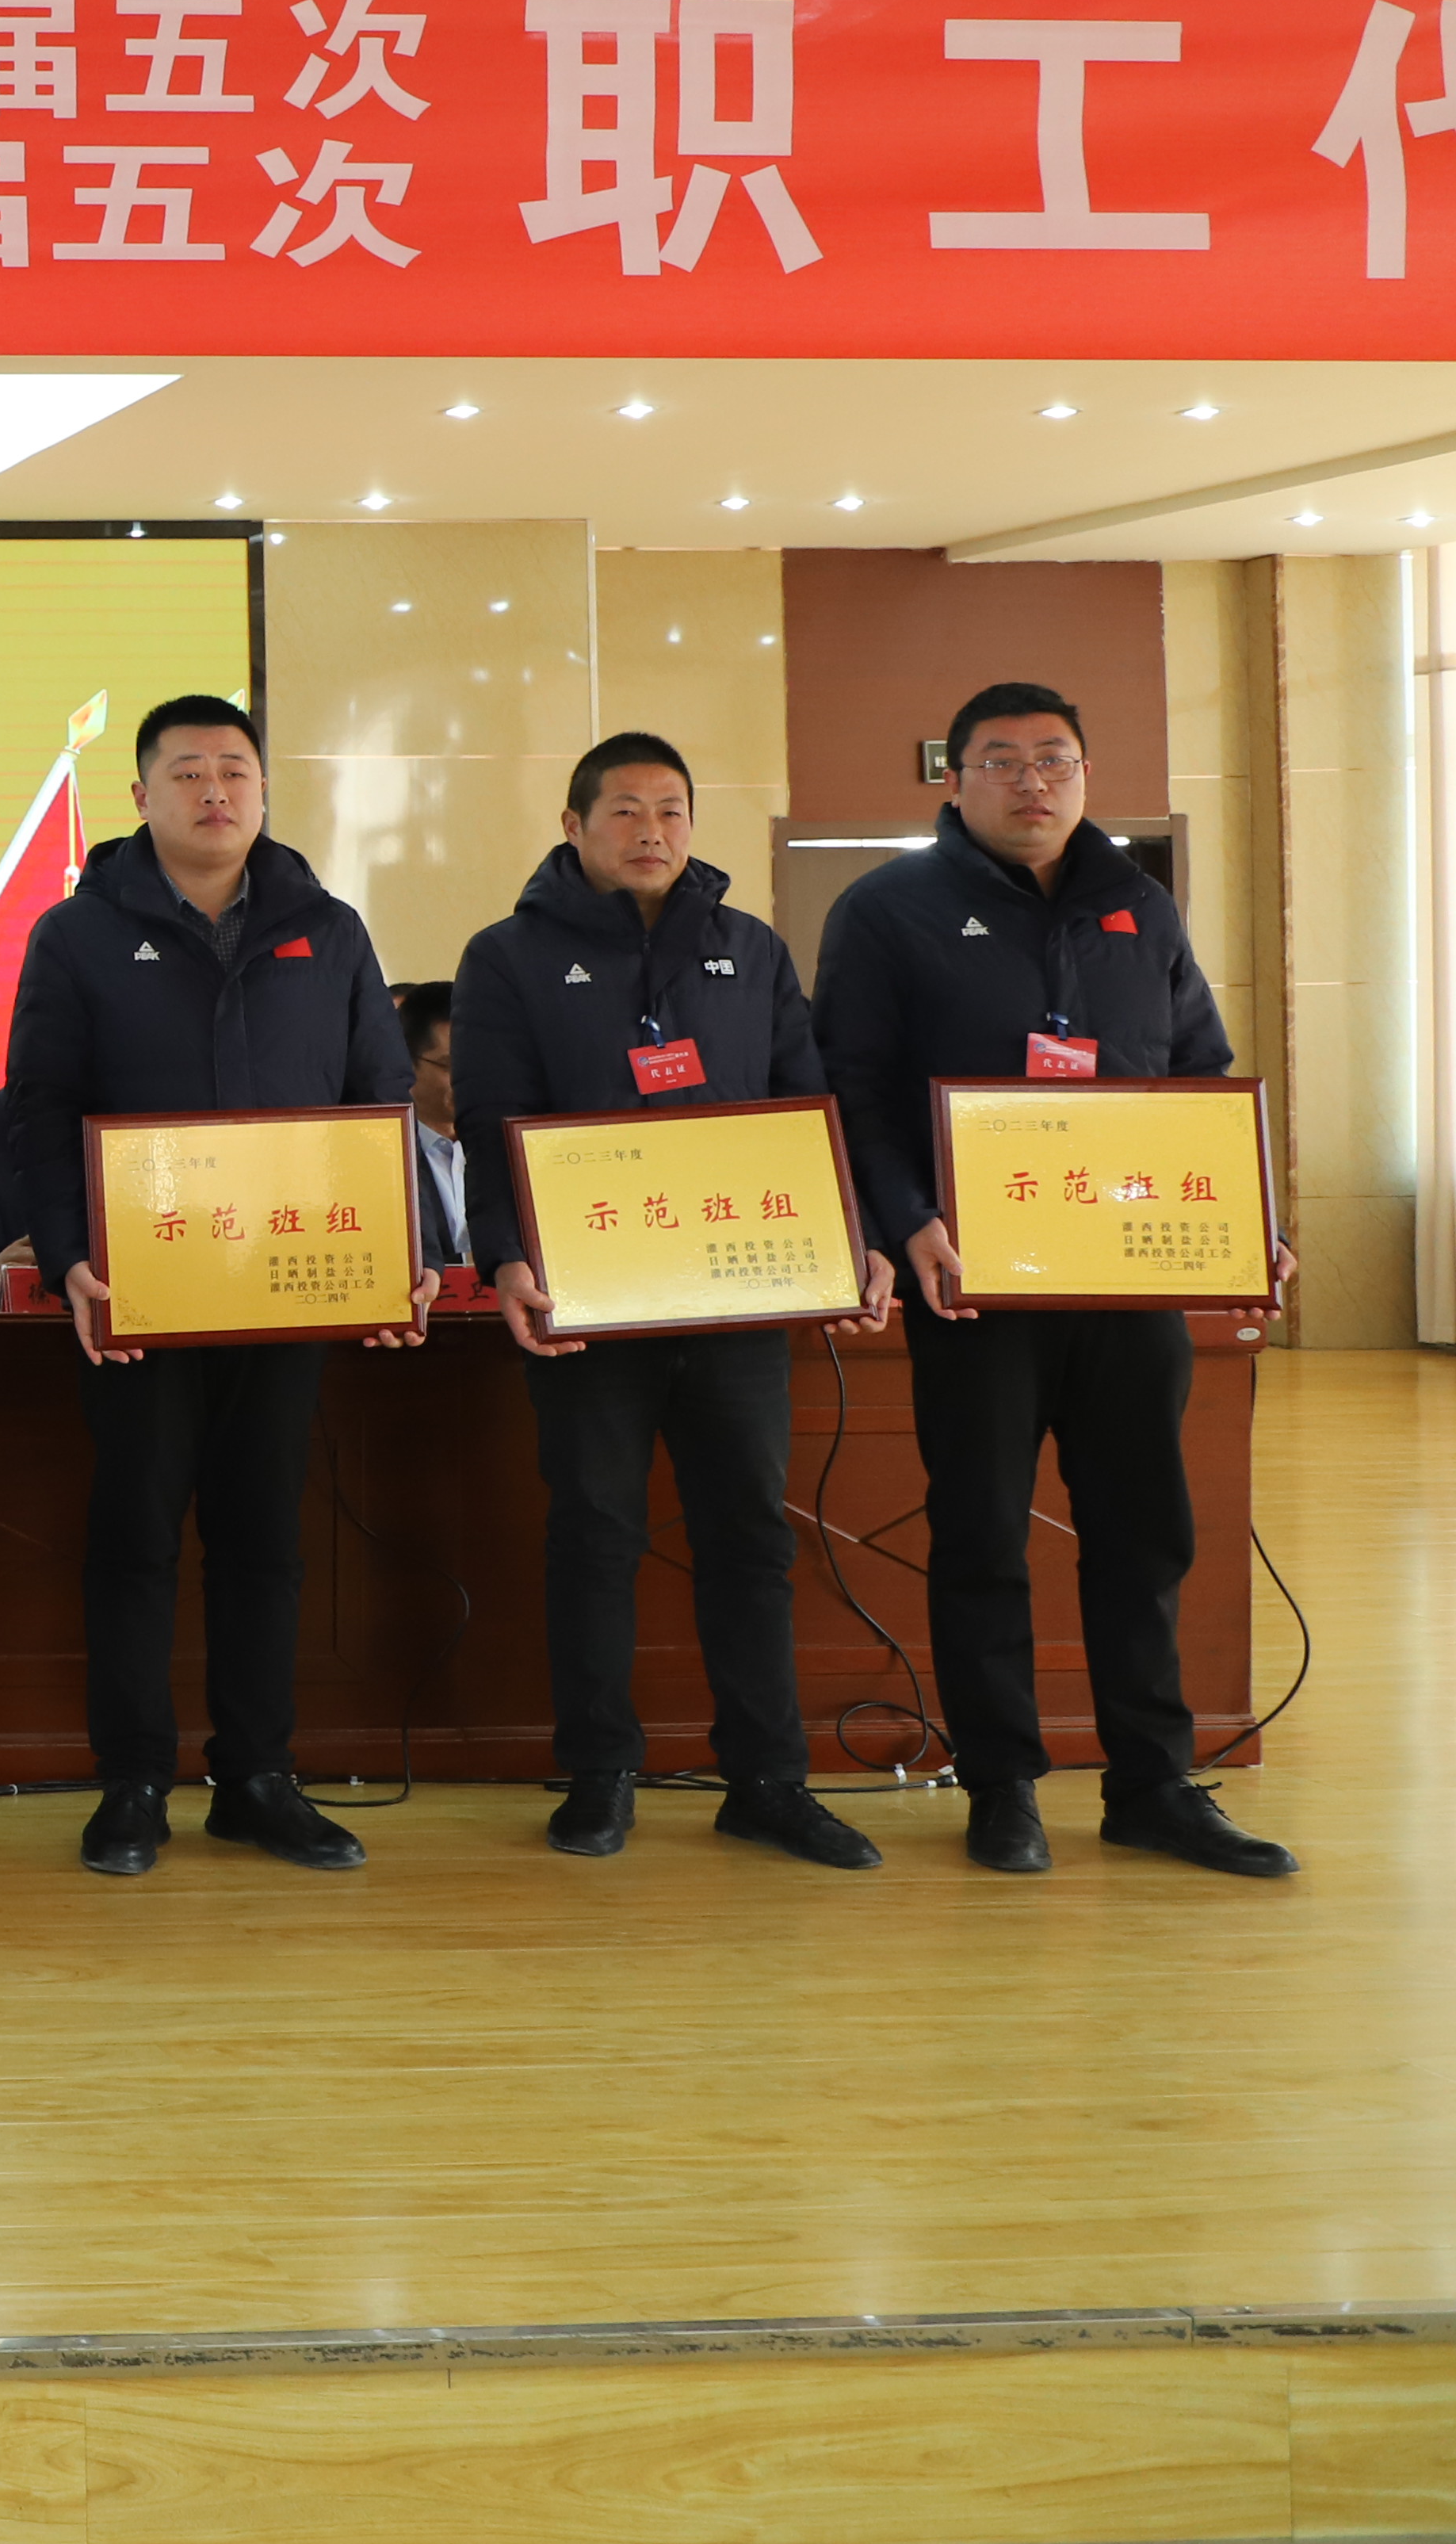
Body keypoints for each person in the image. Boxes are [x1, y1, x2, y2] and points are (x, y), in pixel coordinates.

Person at [816, 680, 1294, 1877]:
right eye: (1003, 760)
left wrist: (1249, 1224)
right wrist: (909, 1220)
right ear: (955, 776)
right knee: (981, 1536)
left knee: (1144, 1534)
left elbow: (1199, 1075)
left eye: (1056, 759)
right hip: (975, 1285)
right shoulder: (887, 910)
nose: (1033, 781)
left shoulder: (1140, 903)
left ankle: (1152, 1784)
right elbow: (855, 1088)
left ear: (1085, 774)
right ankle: (1002, 1786)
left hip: (1125, 1282)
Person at [0, 694, 430, 1877]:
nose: (214, 792)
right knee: (135, 1537)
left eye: (234, 769)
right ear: (141, 796)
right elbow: (40, 1108)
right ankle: (132, 1781)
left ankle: (257, 1778)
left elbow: (379, 1098)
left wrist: (397, 1248)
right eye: (187, 772)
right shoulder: (77, 933)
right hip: (139, 1293)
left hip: (284, 1285)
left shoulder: (328, 927)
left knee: (263, 1541)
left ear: (264, 790)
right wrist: (69, 1254)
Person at [454, 731, 890, 1870]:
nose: (652, 831)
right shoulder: (509, 956)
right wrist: (507, 1258)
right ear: (574, 827)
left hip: (736, 1298)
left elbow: (806, 1105)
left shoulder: (749, 948)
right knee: (595, 1536)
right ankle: (599, 1774)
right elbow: (490, 1120)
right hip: (589, 1302)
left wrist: (846, 1243)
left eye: (672, 810)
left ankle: (768, 1779)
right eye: (625, 810)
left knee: (750, 1536)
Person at [397, 983, 468, 1269]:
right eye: (450, 1065)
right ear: (407, 1063)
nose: (470, 1078)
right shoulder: (386, 1159)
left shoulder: (509, 1148)